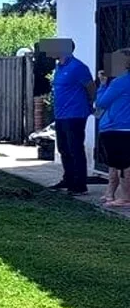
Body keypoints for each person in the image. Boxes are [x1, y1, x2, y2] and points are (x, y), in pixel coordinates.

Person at [51, 42, 96, 195]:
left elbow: (91, 88)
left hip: (75, 114)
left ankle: (80, 185)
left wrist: (90, 105)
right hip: (60, 114)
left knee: (75, 148)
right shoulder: (59, 67)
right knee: (64, 148)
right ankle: (68, 179)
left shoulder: (78, 67)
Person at [96, 52, 130, 208]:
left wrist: (102, 85)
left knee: (122, 164)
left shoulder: (120, 82)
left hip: (117, 127)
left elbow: (102, 103)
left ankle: (125, 197)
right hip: (121, 127)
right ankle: (110, 193)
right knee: (115, 163)